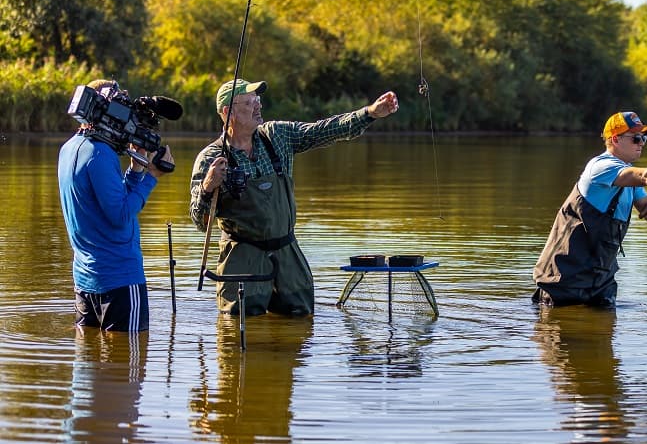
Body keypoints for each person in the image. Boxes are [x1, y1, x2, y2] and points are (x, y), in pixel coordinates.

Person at [189, 78, 399, 317]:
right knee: (238, 325)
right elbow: (200, 221)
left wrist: (369, 113)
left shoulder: (277, 135)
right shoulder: (210, 159)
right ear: (228, 112)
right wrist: (207, 186)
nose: (258, 106)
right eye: (249, 102)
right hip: (242, 256)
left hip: (287, 252)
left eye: (258, 100)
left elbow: (323, 131)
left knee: (301, 317)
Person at [533, 111, 647, 307]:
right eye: (636, 138)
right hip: (565, 276)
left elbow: (646, 210)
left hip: (601, 280)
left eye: (644, 138)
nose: (641, 143)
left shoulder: (630, 178)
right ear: (615, 139)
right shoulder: (601, 167)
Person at [58, 79, 175, 332]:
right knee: (130, 366)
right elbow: (121, 215)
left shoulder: (70, 149)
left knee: (89, 362)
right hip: (120, 279)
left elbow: (105, 204)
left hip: (85, 281)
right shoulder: (100, 154)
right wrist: (152, 177)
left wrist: (136, 170)